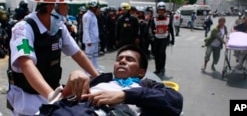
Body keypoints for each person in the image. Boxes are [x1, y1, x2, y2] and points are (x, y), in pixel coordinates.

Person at [6, 0, 99, 115]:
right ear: (51, 6)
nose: (67, 8)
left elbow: (77, 53)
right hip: (28, 99)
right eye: (65, 5)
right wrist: (51, 96)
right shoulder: (23, 29)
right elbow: (26, 64)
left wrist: (97, 76)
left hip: (52, 94)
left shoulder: (59, 27)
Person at [39, 45, 183, 116]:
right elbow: (65, 95)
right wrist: (74, 76)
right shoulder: (102, 80)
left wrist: (125, 95)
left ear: (141, 72)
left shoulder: (145, 85)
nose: (122, 61)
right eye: (119, 59)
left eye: (129, 60)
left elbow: (175, 100)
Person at [151, 1, 175, 76]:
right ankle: (157, 69)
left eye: (162, 10)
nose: (161, 11)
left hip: (165, 38)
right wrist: (152, 34)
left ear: (164, 11)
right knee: (156, 54)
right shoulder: (154, 19)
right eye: (159, 10)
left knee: (162, 52)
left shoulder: (168, 19)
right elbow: (151, 28)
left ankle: (162, 68)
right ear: (157, 10)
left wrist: (173, 38)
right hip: (157, 38)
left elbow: (171, 29)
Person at [82, 0, 100, 70]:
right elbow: (85, 29)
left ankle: (95, 69)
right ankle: (88, 71)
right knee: (89, 57)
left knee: (95, 56)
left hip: (95, 40)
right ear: (93, 7)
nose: (98, 9)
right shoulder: (87, 16)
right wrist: (88, 40)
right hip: (90, 41)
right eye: (97, 7)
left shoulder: (93, 15)